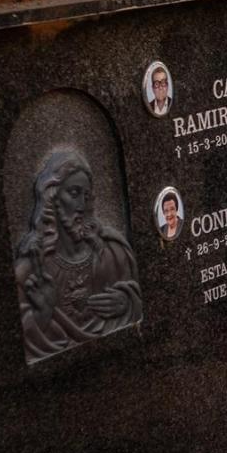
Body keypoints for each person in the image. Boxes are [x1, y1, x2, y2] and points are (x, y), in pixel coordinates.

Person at [15, 151, 143, 362]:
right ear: (52, 198)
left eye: (86, 196)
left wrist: (126, 302)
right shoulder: (31, 270)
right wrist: (43, 315)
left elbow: (137, 306)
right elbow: (18, 344)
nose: (82, 206)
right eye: (73, 193)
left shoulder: (113, 251)